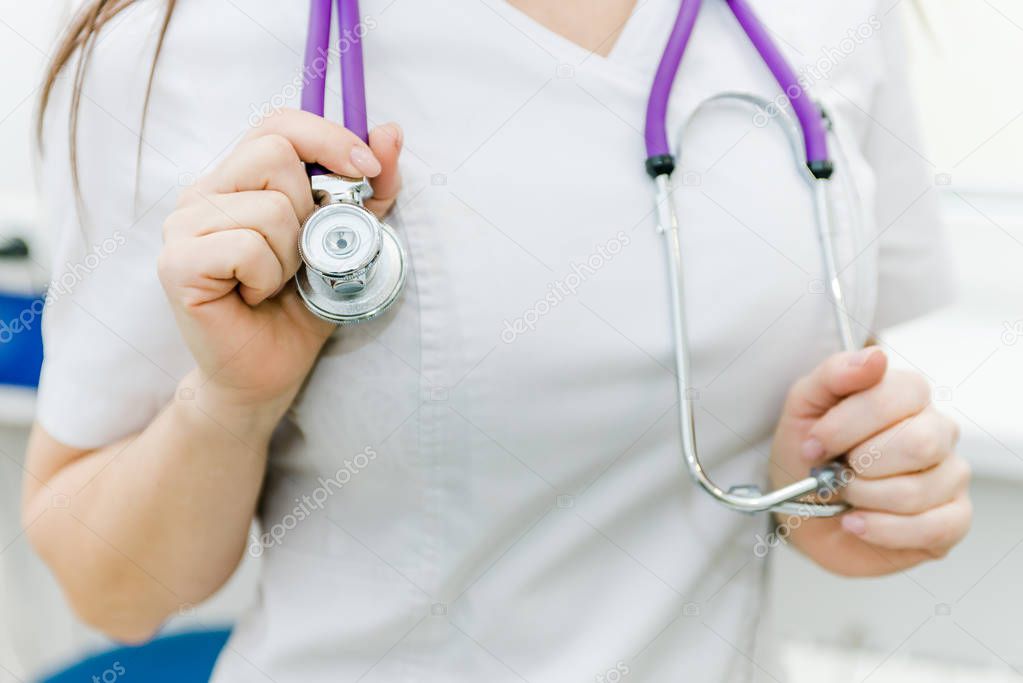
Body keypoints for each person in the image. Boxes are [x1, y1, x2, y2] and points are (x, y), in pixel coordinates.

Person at [22, 1, 971, 680]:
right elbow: (114, 588)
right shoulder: (183, 40)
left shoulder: (830, 18)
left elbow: (826, 410)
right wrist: (234, 402)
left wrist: (830, 488)